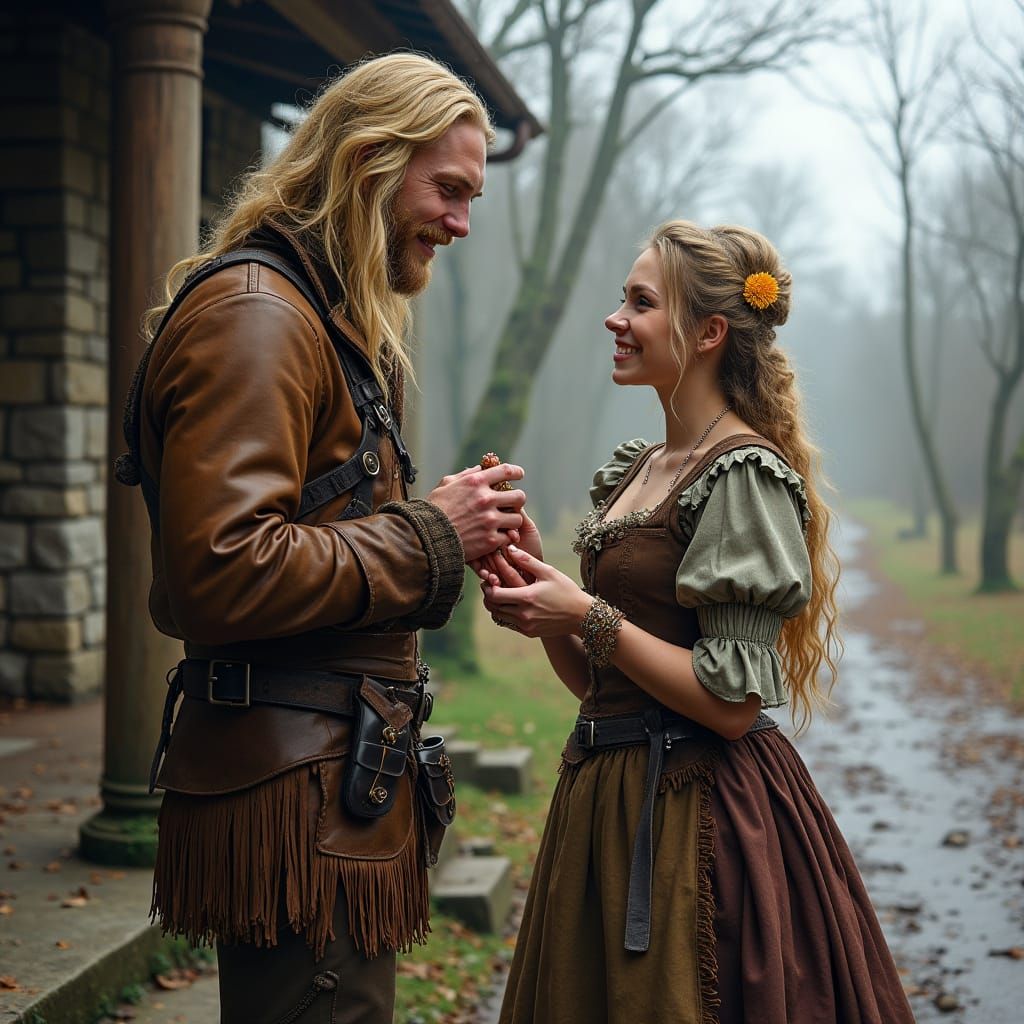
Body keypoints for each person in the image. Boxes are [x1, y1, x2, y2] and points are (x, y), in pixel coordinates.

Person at [120, 54, 527, 1023]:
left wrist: (432, 525)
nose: (462, 222)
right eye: (450, 189)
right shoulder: (260, 317)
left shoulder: (306, 311)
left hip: (321, 792)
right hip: (297, 804)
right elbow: (220, 568)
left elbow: (305, 525)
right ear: (369, 161)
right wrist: (431, 533)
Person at [478, 221, 916, 1023]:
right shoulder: (642, 469)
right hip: (602, 801)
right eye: (623, 298)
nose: (617, 319)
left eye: (641, 303)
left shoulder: (743, 476)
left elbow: (728, 703)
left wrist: (587, 612)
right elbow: (599, 687)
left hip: (697, 818)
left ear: (709, 332)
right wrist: (547, 605)